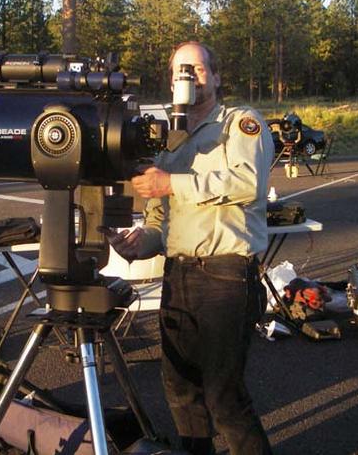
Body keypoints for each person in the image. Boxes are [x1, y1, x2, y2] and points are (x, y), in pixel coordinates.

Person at [105, 41, 274, 454]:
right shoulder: (171, 141)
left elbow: (247, 183)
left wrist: (171, 182)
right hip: (179, 275)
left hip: (225, 276)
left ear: (215, 77)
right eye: (180, 70)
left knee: (224, 397)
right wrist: (136, 243)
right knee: (180, 391)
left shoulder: (240, 123)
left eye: (196, 69)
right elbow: (162, 220)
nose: (188, 78)